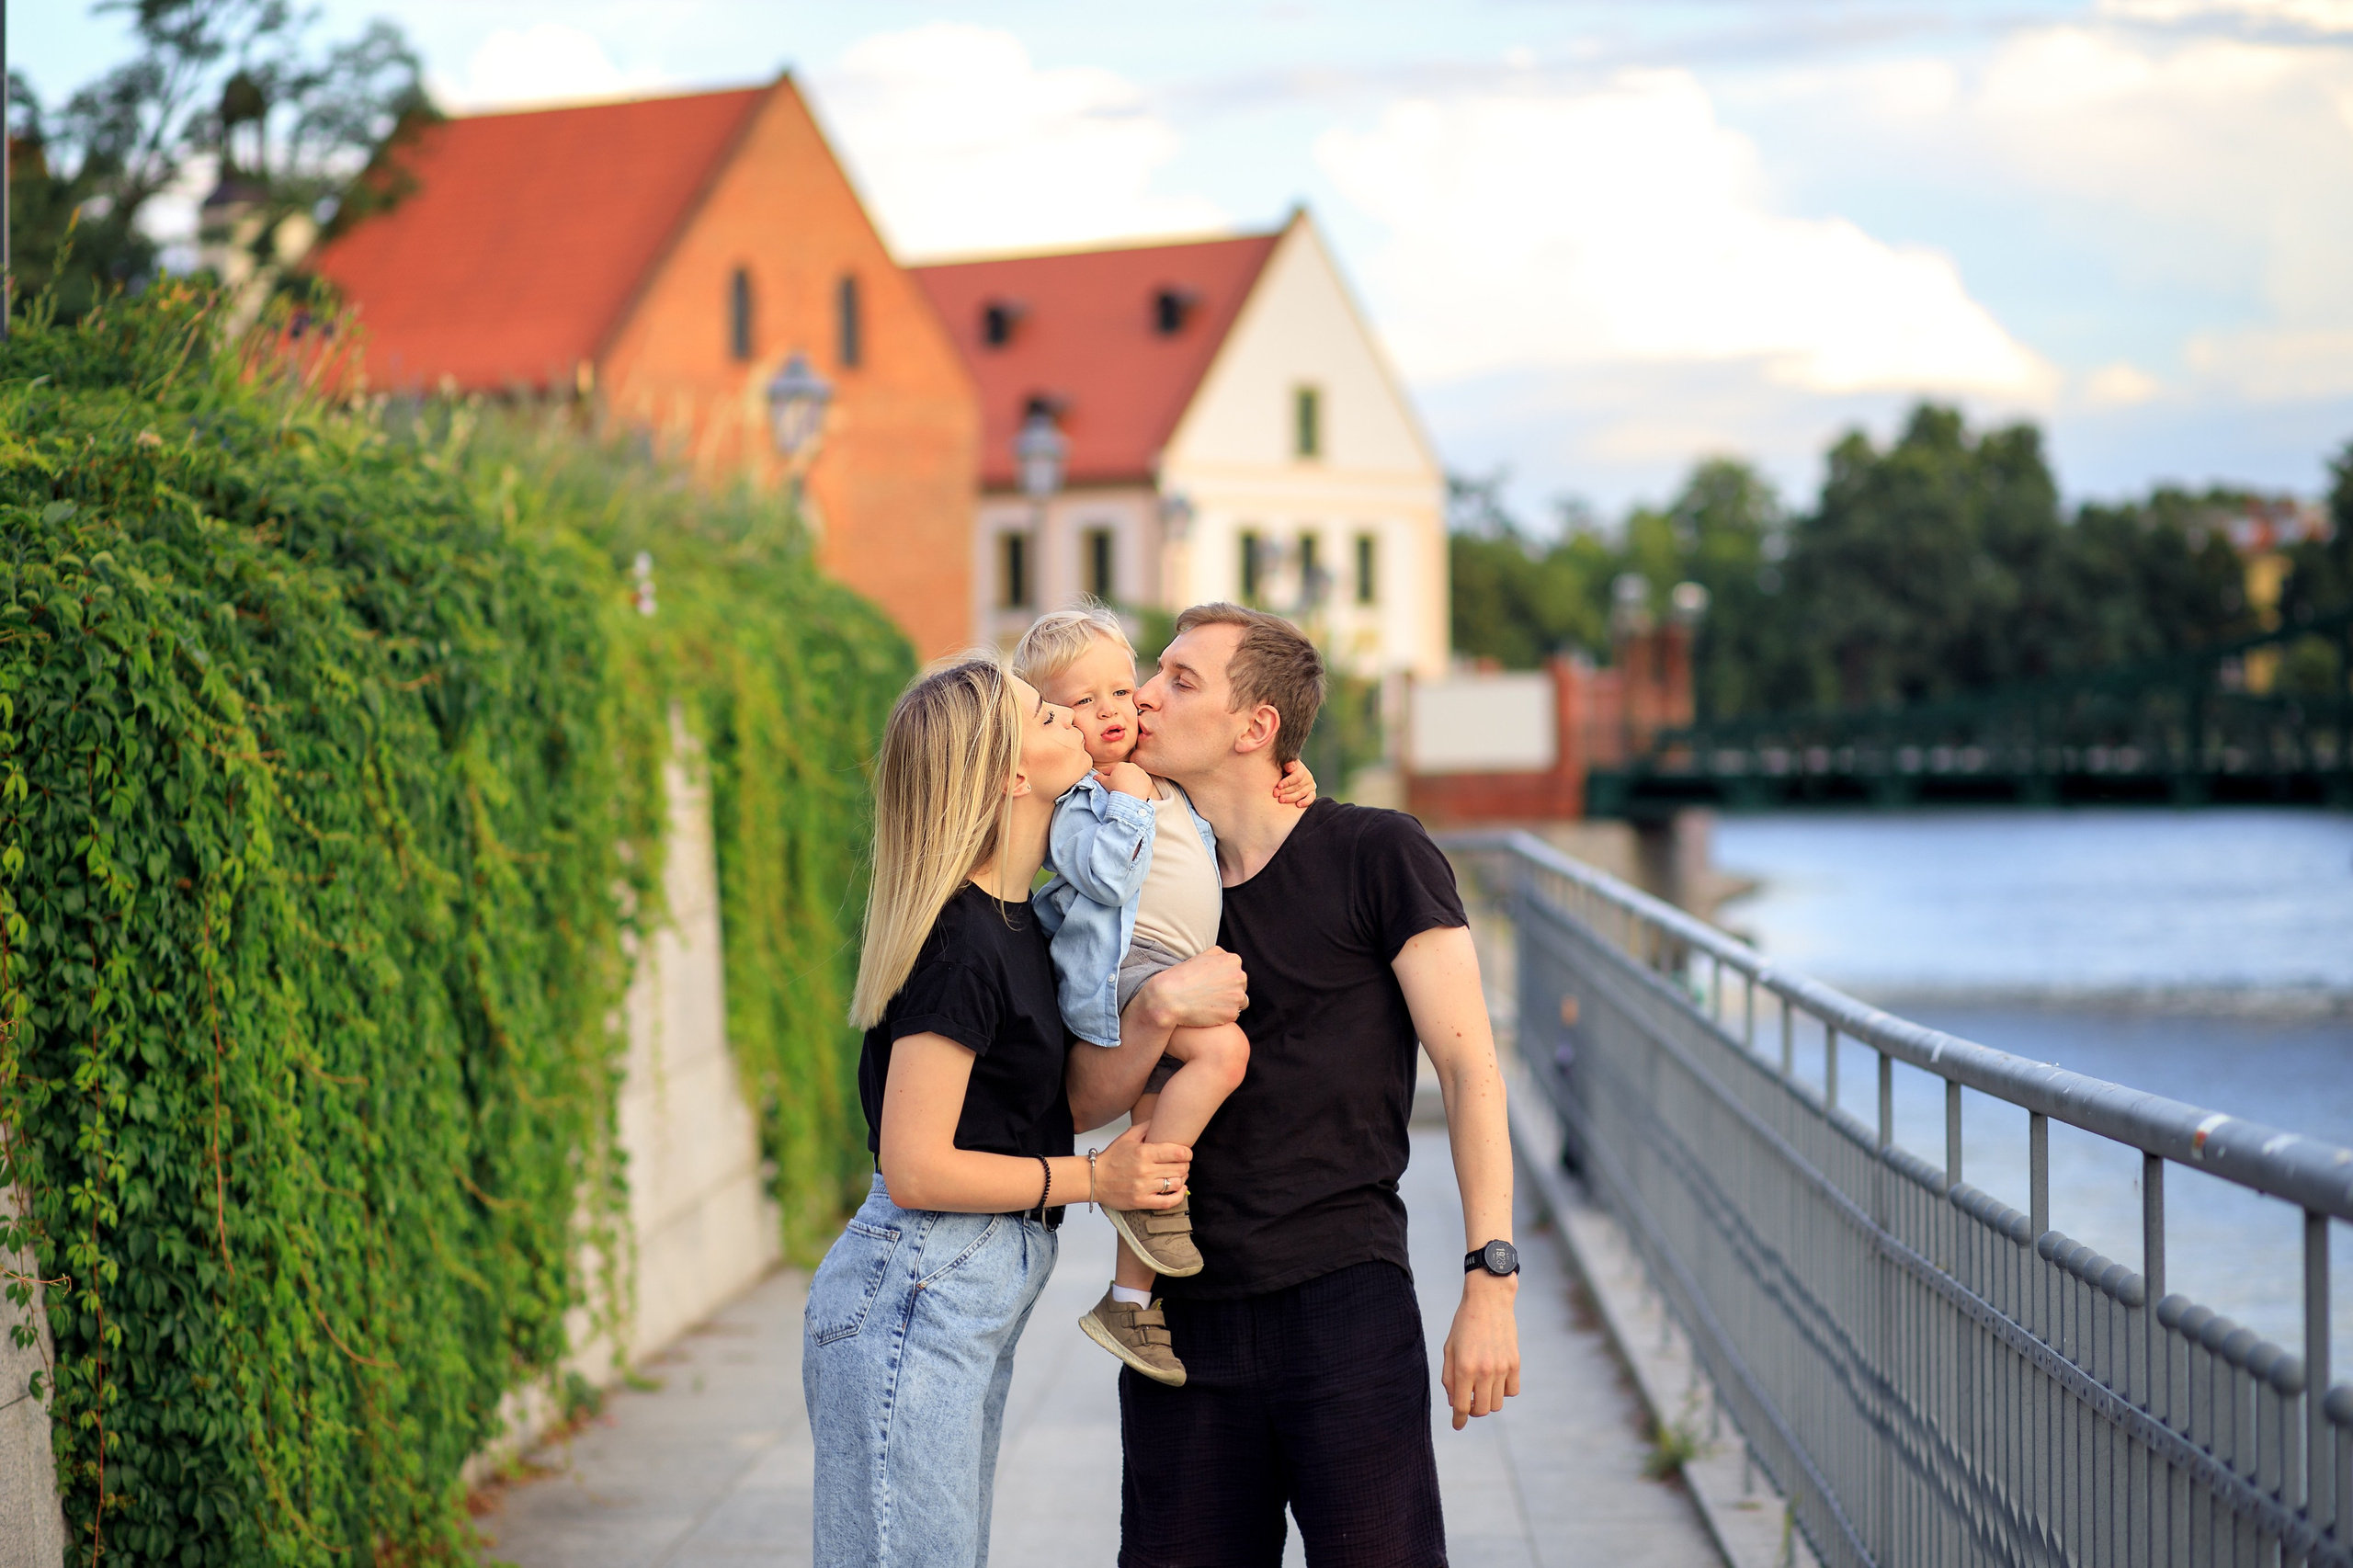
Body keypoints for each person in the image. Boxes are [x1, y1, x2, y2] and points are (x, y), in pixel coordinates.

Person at [1065, 604, 1523, 1568]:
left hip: (1344, 1306)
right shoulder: (1135, 875)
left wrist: (1490, 1279)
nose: (1144, 692)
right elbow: (1078, 1104)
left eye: (1181, 678)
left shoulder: (1378, 854)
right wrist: (1152, 1010)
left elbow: (1471, 1069)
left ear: (1255, 725)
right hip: (1179, 1322)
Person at [803, 657, 1244, 1568]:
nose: (1084, 717)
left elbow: (1054, 1104)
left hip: (961, 1291)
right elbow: (916, 1163)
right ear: (1011, 769)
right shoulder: (960, 939)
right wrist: (1098, 1179)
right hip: (918, 1285)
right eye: (1052, 712)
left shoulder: (1025, 919)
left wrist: (1157, 1011)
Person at [1011, 604, 1313, 1386]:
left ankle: (1127, 1301)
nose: (1120, 707)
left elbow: (1231, 799)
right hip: (1125, 969)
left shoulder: (1167, 781)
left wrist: (1292, 771)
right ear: (1049, 723)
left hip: (1169, 964)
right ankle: (1151, 1202)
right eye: (1083, 703)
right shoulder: (1082, 801)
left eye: (1125, 686)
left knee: (1159, 1111)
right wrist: (1129, 796)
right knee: (1226, 1048)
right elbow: (1108, 875)